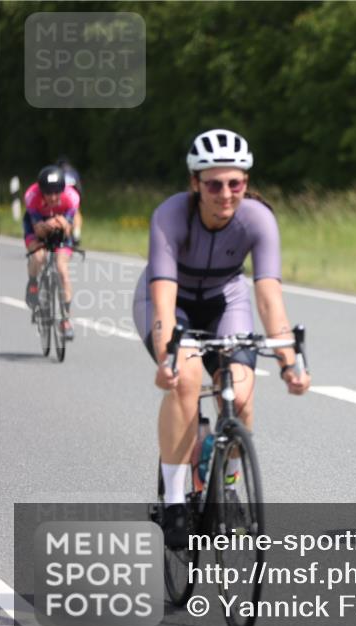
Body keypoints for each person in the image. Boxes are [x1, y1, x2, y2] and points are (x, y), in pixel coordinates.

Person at [133, 129, 311, 547]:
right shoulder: (170, 216)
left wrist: (289, 362)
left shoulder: (258, 219)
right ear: (195, 183)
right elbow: (164, 301)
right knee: (187, 378)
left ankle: (227, 485)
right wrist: (167, 357)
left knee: (241, 395)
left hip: (224, 301)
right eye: (214, 184)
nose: (226, 194)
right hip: (170, 301)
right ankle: (174, 502)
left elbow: (268, 298)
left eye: (235, 183)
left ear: (246, 183)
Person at [23, 165, 81, 339]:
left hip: (61, 232)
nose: (53, 197)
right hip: (37, 227)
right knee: (38, 256)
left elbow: (68, 230)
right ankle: (33, 283)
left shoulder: (72, 197)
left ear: (63, 190)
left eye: (57, 192)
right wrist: (50, 224)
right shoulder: (32, 196)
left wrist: (62, 225)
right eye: (48, 193)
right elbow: (38, 231)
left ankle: (65, 320)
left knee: (62, 270)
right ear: (41, 191)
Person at [56, 157, 84, 245]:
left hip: (61, 194)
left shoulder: (57, 171)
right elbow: (79, 187)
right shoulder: (73, 172)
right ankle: (76, 234)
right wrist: (80, 200)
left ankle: (62, 233)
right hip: (73, 194)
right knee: (76, 212)